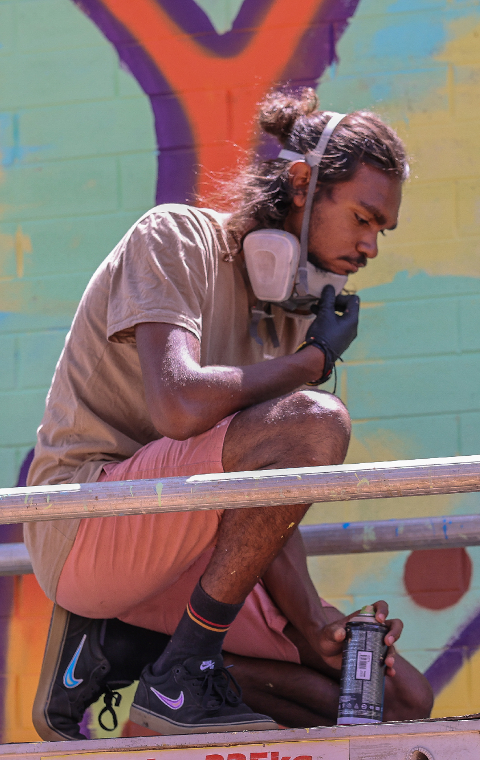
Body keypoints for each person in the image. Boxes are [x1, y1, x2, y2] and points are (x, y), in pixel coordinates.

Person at [25, 88, 434, 740]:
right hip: (87, 525)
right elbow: (180, 402)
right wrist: (311, 363)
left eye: (380, 231)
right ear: (302, 184)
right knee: (318, 420)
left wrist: (314, 629)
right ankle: (178, 667)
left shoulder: (284, 317)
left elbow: (262, 500)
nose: (371, 247)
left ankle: (148, 659)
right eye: (362, 218)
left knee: (396, 699)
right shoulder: (175, 238)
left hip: (188, 541)